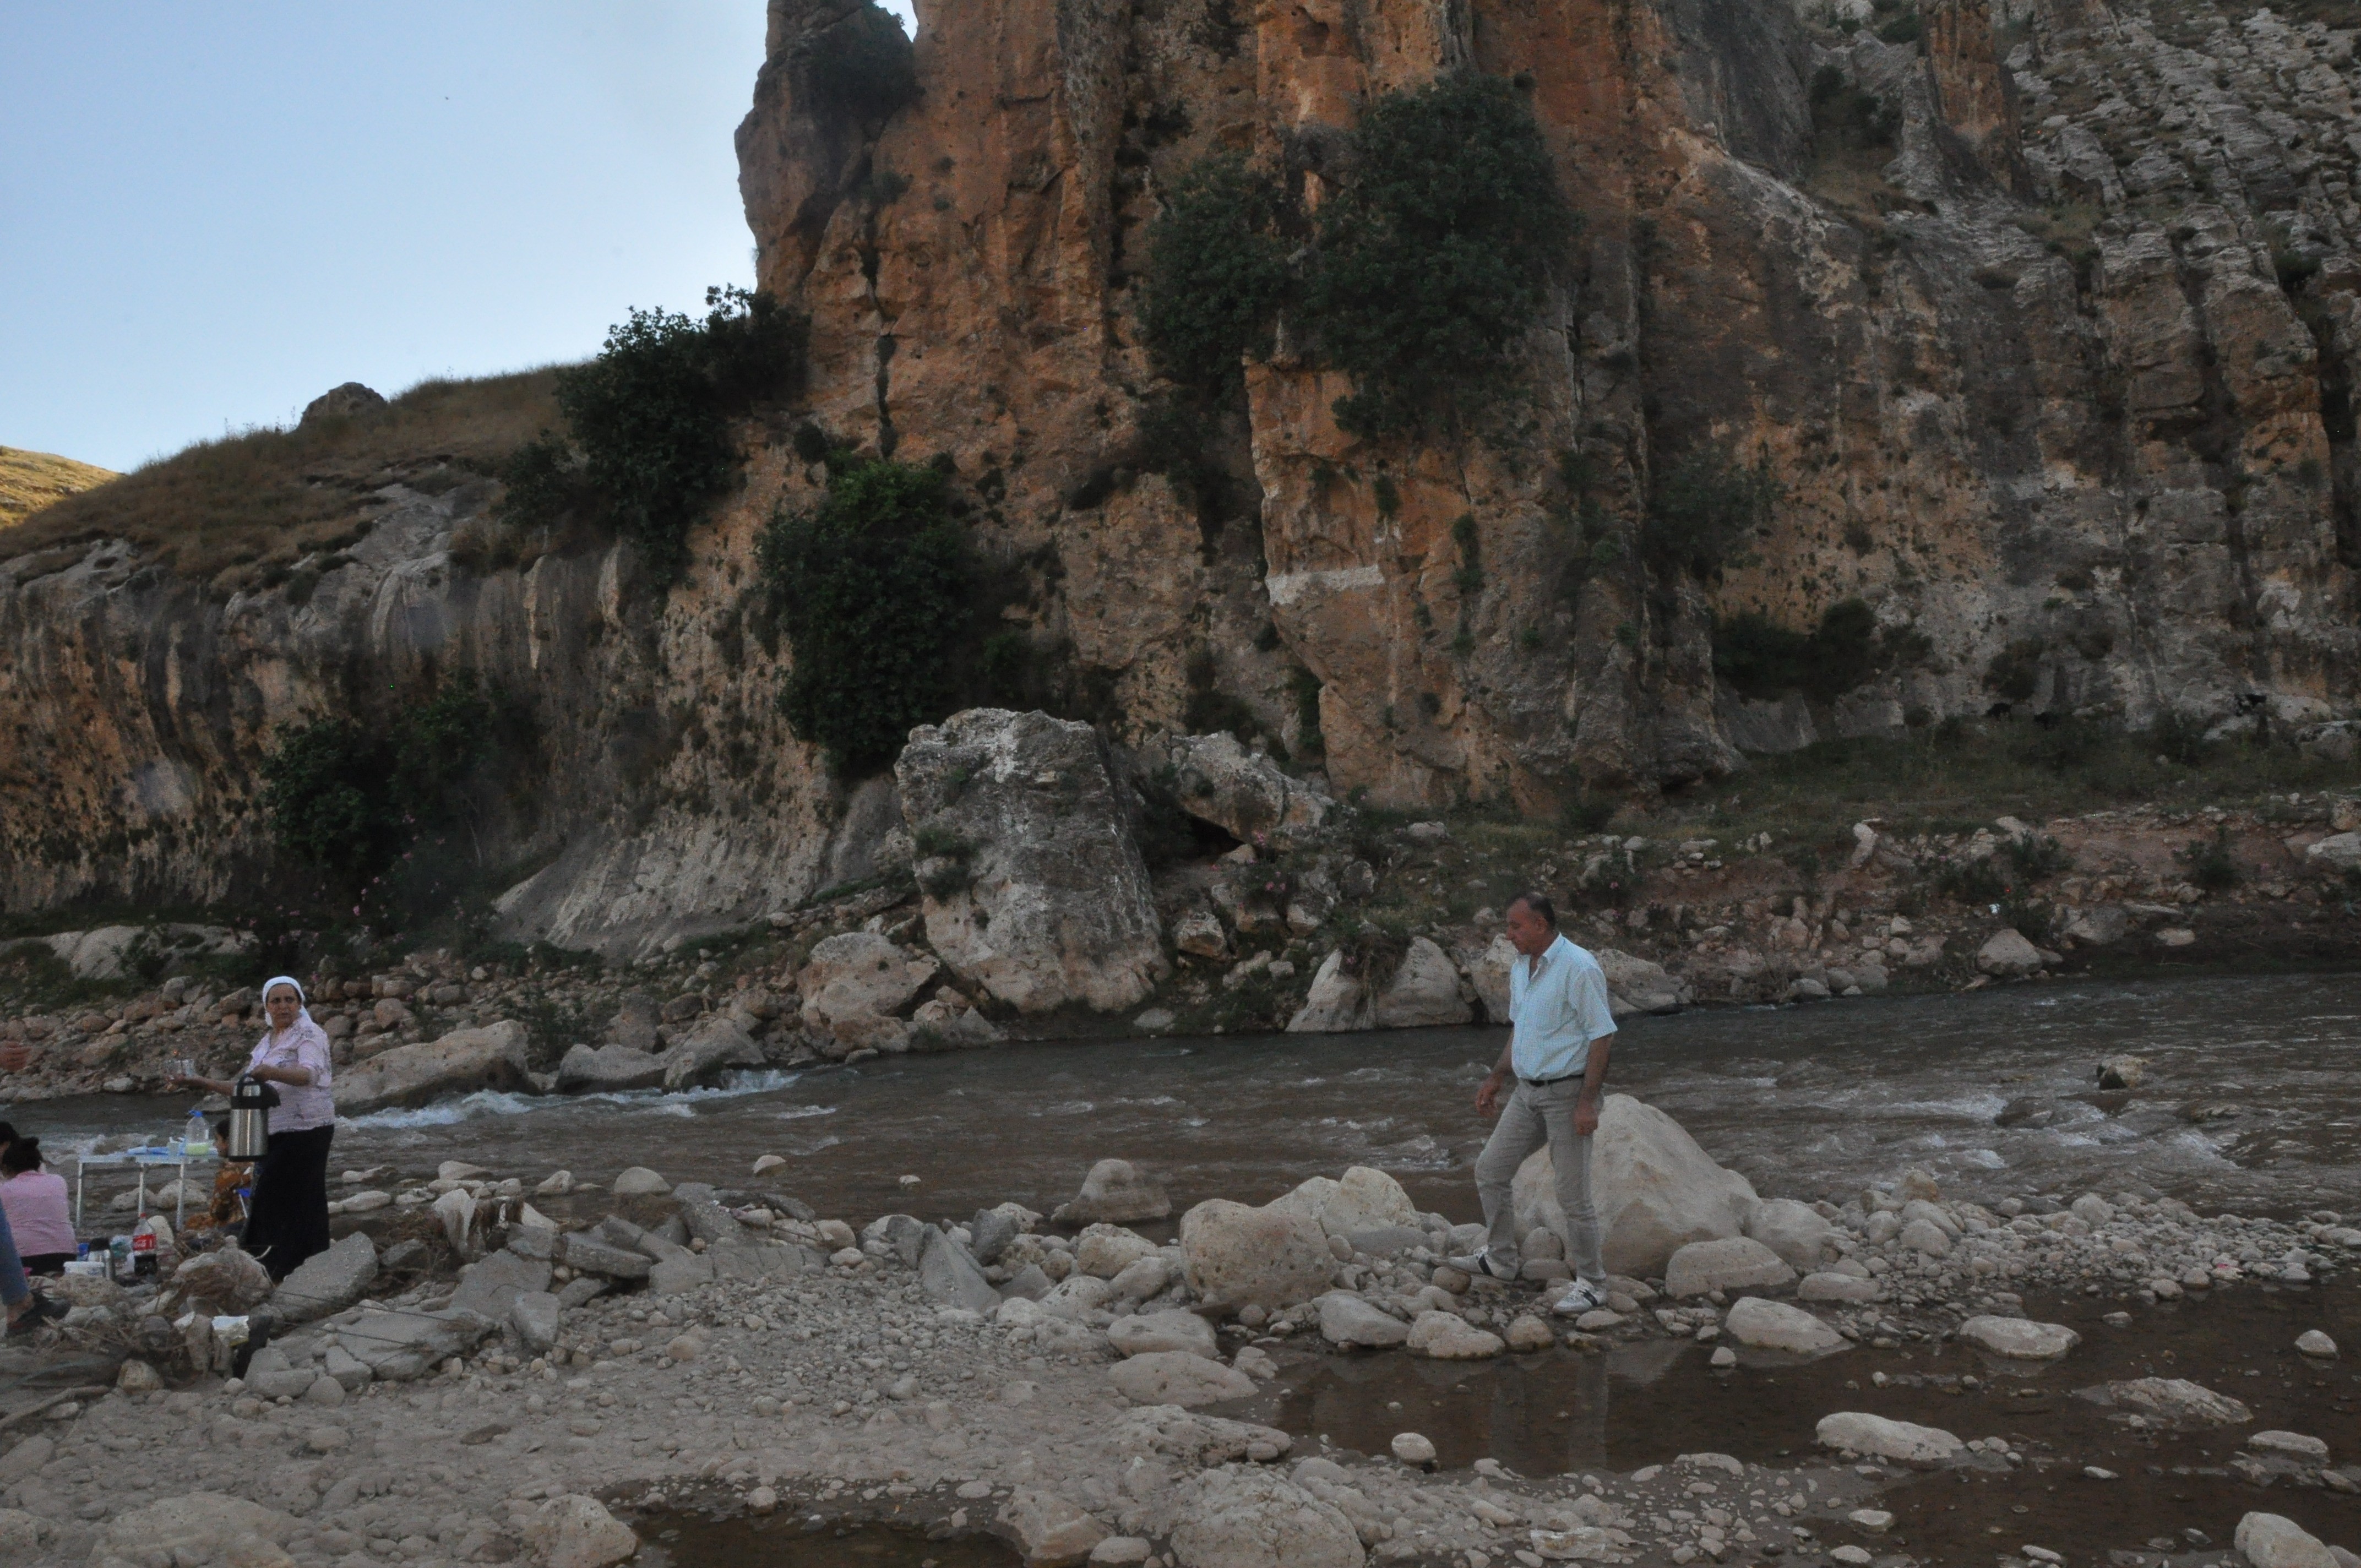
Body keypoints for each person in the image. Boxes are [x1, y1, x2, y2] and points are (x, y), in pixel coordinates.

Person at [1448, 891, 1618, 1316]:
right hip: (1527, 1091)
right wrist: (1496, 1076)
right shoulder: (1522, 967)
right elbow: (1521, 1030)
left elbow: (1603, 1035)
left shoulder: (1579, 968)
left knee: (1571, 1195)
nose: (1509, 935)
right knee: (1490, 1170)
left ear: (1541, 925)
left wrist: (1586, 1102)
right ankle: (1501, 1259)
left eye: (1516, 926)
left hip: (1567, 1093)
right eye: (1509, 926)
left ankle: (1594, 1285)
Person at [171, 975, 335, 1281]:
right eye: (276, 1001)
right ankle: (284, 1261)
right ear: (266, 1007)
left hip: (307, 1130)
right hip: (271, 1130)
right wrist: (200, 1081)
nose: (283, 1006)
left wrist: (273, 1072)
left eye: (290, 1000)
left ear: (300, 1003)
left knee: (293, 1194)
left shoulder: (309, 1034)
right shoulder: (266, 1043)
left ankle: (291, 1264)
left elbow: (309, 1075)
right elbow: (244, 1087)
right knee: (274, 1196)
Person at [0, 1136, 77, 1275]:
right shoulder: (59, 1182)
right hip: (66, 1256)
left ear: (6, 1168)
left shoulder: (6, 1190)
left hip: (24, 1261)